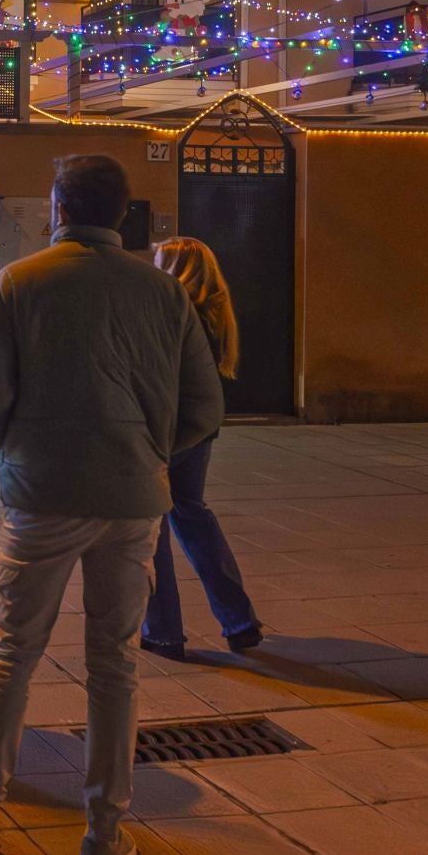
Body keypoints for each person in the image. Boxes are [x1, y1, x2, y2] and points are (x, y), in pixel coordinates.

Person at [0, 155, 223, 855]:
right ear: (123, 215)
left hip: (42, 495)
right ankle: (102, 833)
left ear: (57, 209)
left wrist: (13, 444)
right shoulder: (164, 294)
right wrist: (152, 451)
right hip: (133, 502)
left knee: (11, 654)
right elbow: (207, 407)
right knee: (114, 665)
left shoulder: (19, 283)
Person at [140, 238, 262, 660]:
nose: (153, 267)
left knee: (151, 526)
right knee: (192, 514)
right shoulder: (214, 310)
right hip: (198, 431)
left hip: (166, 431)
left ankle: (163, 631)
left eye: (159, 261)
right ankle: (239, 620)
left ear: (175, 266)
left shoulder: (174, 311)